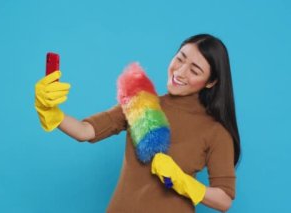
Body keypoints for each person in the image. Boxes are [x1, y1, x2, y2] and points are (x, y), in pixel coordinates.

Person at [34, 34, 241, 212]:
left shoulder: (216, 131)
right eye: (180, 59)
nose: (180, 72)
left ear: (211, 82)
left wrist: (184, 182)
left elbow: (224, 199)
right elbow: (85, 131)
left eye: (194, 70)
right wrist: (51, 112)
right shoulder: (141, 103)